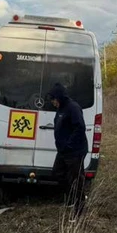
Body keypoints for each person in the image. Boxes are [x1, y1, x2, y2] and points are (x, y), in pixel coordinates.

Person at [46, 83, 89, 219]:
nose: (52, 102)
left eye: (53, 99)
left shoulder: (73, 108)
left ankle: (79, 210)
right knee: (57, 173)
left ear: (59, 97)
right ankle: (70, 199)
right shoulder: (60, 109)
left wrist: (69, 145)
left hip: (75, 151)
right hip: (63, 151)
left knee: (76, 180)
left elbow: (80, 128)